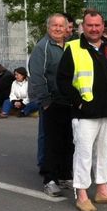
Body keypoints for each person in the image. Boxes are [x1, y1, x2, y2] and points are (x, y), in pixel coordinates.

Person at [57, 9, 107, 211]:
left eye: (97, 25)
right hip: (85, 112)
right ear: (83, 26)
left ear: (103, 26)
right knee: (83, 154)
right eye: (90, 25)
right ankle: (82, 195)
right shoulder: (73, 48)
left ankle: (103, 191)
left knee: (104, 153)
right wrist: (78, 102)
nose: (94, 29)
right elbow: (62, 80)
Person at [29, 13, 72, 196]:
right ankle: (50, 180)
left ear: (66, 28)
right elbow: (37, 76)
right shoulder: (43, 47)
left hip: (67, 102)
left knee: (67, 142)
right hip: (51, 103)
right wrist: (45, 101)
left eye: (61, 26)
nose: (57, 28)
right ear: (48, 27)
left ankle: (64, 175)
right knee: (51, 142)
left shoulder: (69, 46)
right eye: (54, 25)